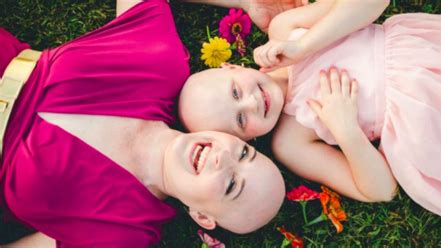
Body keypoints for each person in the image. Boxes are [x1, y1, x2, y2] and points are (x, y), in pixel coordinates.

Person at [0, 0, 292, 246]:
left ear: (202, 217)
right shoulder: (162, 66)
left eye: (230, 185)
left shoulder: (127, 231)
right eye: (243, 153)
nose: (223, 157)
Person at [178, 0, 441, 230]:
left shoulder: (285, 29)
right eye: (241, 120)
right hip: (426, 124)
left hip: (431, 60)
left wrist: (304, 46)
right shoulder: (290, 141)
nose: (252, 102)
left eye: (235, 92)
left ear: (233, 68)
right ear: (248, 140)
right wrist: (346, 130)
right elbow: (381, 189)